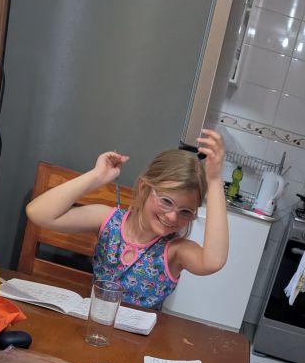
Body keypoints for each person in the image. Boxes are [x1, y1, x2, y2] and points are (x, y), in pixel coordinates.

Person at [26, 129, 227, 309]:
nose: (172, 216)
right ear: (144, 188)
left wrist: (215, 180)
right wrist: (96, 176)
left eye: (185, 212)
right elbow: (38, 213)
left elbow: (213, 261)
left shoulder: (175, 250)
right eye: (166, 201)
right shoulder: (108, 220)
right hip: (95, 327)